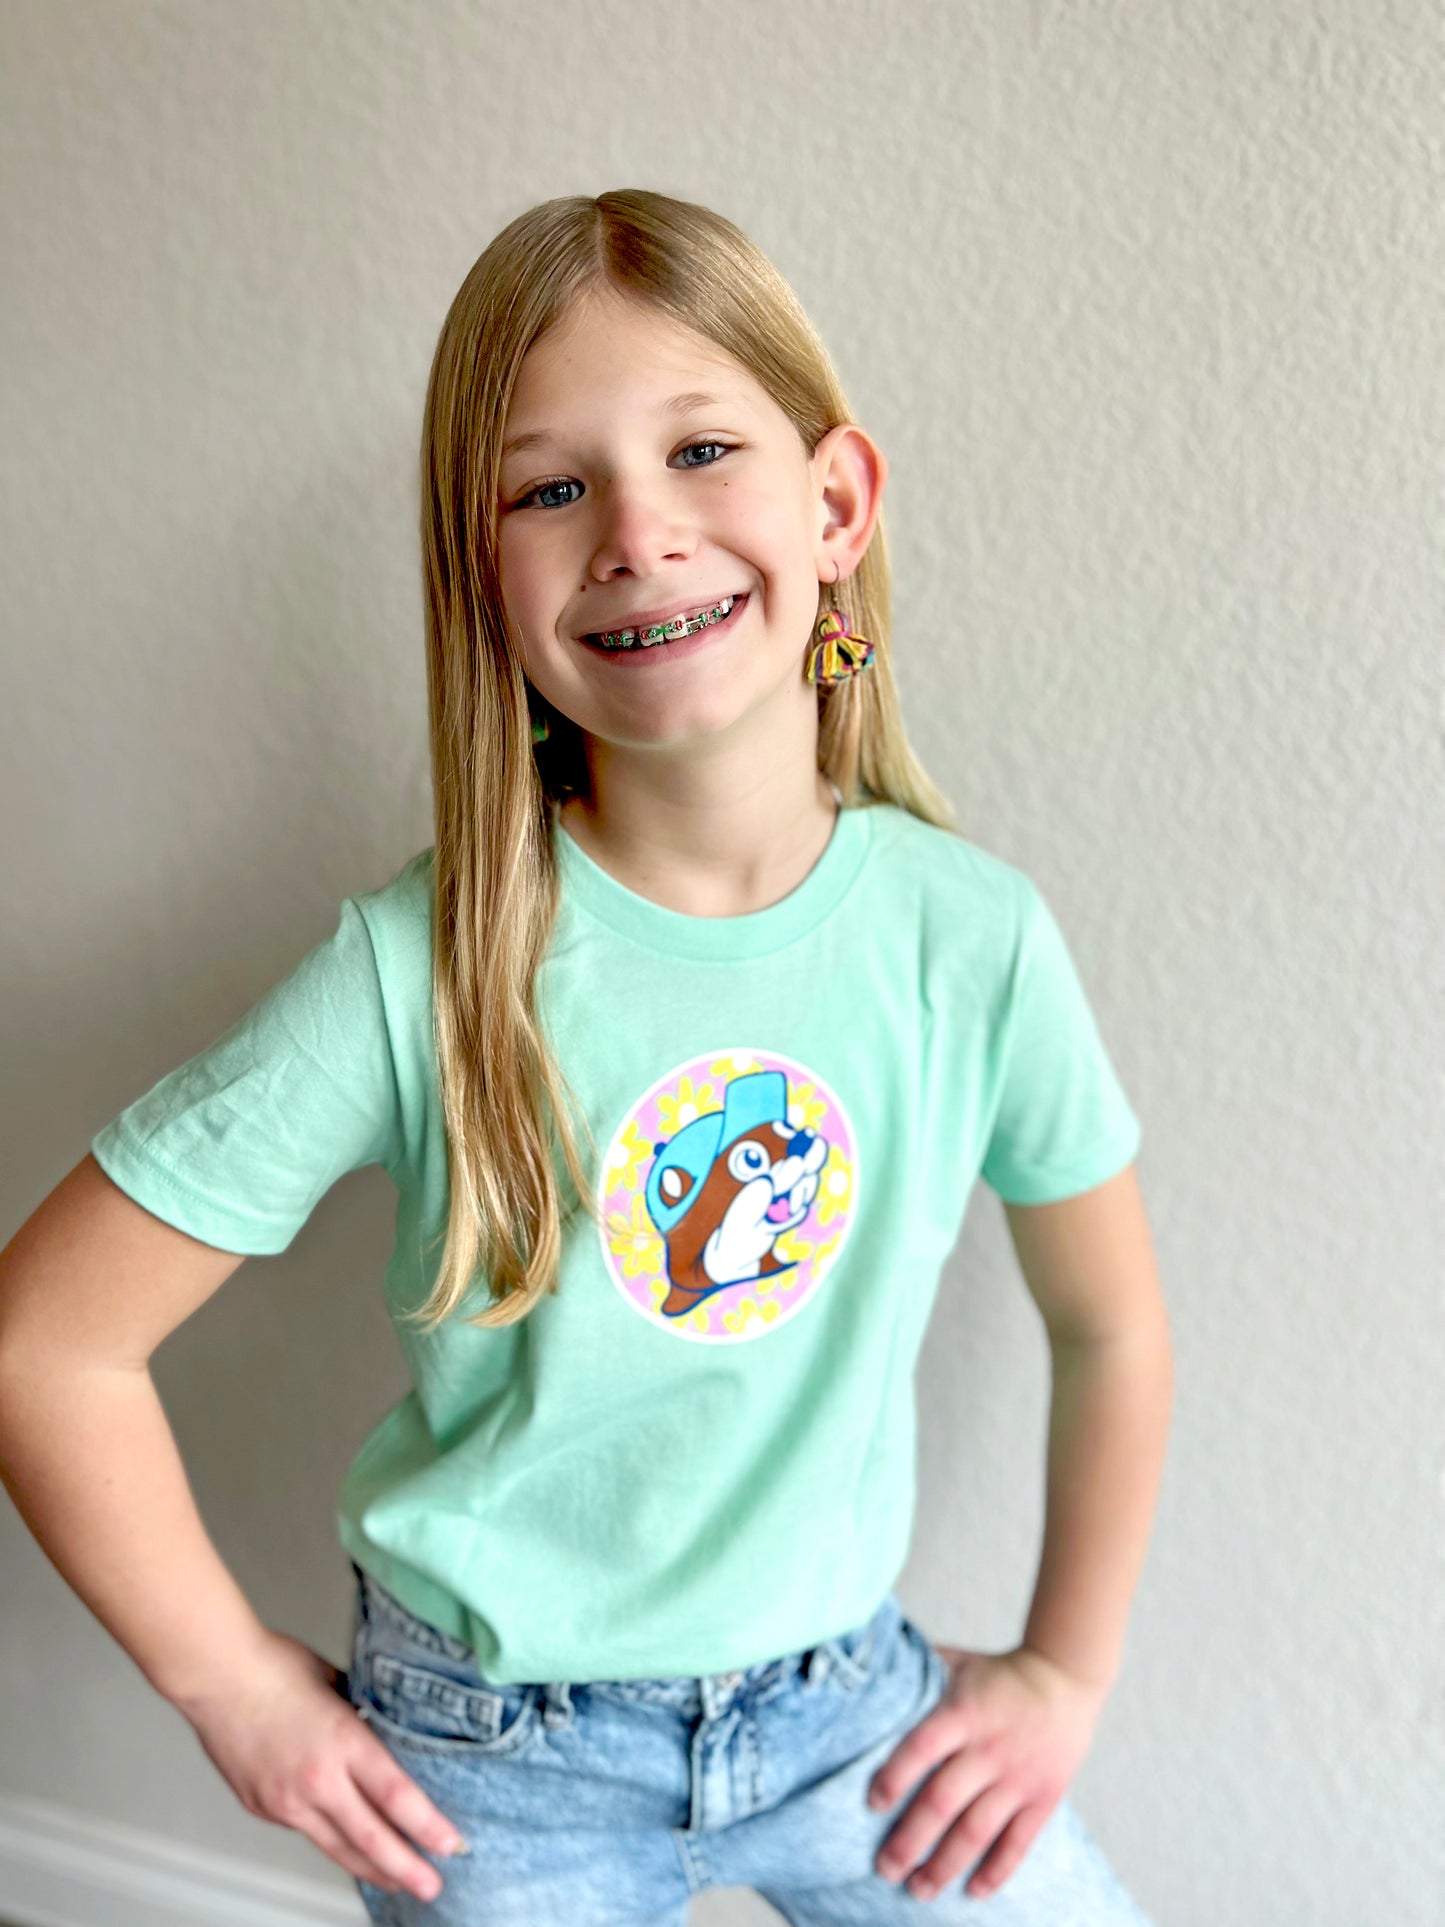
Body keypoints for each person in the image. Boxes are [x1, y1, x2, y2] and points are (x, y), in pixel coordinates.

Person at [0, 189, 1173, 1924]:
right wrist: (229, 1689)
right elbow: (49, 1344)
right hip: (493, 1759)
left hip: (847, 1714)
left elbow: (1113, 1319)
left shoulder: (966, 936)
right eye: (550, 488)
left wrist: (1063, 1676)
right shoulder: (414, 968)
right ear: (487, 574)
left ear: (834, 503)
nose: (636, 530)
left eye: (703, 448)